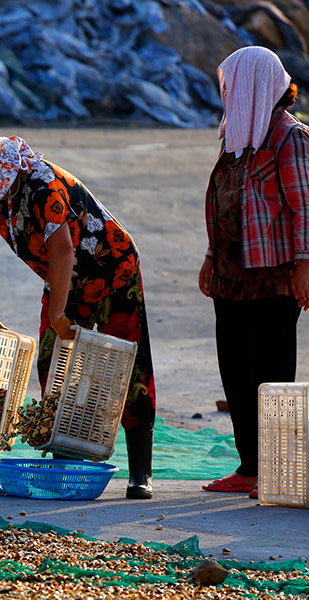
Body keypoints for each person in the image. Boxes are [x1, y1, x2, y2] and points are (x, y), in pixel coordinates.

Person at [0, 133, 157, 499]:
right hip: (65, 280)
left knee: (128, 369)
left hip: (112, 271)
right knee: (53, 362)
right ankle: (65, 456)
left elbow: (62, 251)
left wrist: (60, 314)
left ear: (7, 176)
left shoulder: (41, 185)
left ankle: (140, 471)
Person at [199, 47, 309, 499]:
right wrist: (210, 257)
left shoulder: (290, 137)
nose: (227, 92)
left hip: (274, 275)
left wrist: (305, 267)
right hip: (231, 276)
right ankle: (249, 467)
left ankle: (277, 471)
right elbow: (226, 202)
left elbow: (305, 209)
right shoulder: (238, 135)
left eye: (232, 83)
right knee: (236, 372)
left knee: (270, 373)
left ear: (254, 85)